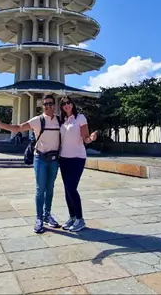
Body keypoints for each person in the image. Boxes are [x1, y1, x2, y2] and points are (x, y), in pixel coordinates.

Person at [0, 93, 62, 233]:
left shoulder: (60, 121)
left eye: (50, 103)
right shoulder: (38, 120)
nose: (48, 106)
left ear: (54, 105)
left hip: (54, 160)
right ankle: (39, 218)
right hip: (40, 159)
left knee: (50, 189)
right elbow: (18, 127)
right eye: (45, 104)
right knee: (40, 189)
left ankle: (47, 214)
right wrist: (0, 124)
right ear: (42, 106)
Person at [58, 95, 98, 232]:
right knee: (67, 189)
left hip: (77, 157)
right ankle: (72, 217)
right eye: (64, 104)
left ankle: (80, 219)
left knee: (71, 188)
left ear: (72, 104)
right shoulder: (62, 120)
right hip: (63, 158)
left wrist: (91, 138)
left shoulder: (80, 118)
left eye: (68, 102)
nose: (66, 105)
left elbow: (85, 138)